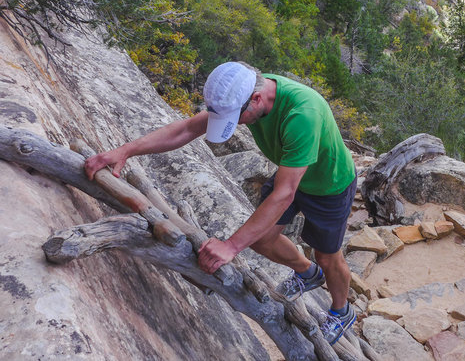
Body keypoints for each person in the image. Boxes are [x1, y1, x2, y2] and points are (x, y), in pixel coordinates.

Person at [84, 62, 358, 345]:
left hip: (330, 184)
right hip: (292, 171)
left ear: (256, 99)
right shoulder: (243, 90)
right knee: (263, 240)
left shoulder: (302, 114)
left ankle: (341, 311)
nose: (237, 123)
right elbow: (187, 129)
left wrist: (230, 246)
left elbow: (284, 194)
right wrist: (125, 150)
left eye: (237, 117)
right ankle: (307, 273)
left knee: (327, 256)